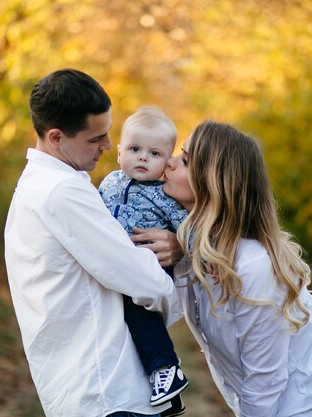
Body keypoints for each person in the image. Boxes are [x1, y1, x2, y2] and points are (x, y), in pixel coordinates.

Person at [163, 120, 312, 417]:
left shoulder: (253, 266)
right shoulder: (192, 255)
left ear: (213, 183)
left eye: (184, 160)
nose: (168, 163)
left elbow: (265, 381)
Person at [4, 69, 182, 417]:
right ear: (56, 137)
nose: (106, 145)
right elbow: (142, 279)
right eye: (95, 138)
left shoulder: (39, 184)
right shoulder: (62, 193)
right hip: (106, 391)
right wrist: (172, 266)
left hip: (90, 389)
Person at [99, 106, 190, 416]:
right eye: (135, 149)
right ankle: (164, 395)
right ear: (119, 151)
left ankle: (167, 367)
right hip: (114, 264)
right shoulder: (109, 182)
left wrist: (182, 244)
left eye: (154, 153)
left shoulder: (164, 195)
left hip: (146, 265)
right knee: (118, 325)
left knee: (139, 312)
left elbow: (191, 229)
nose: (142, 158)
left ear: (166, 163)